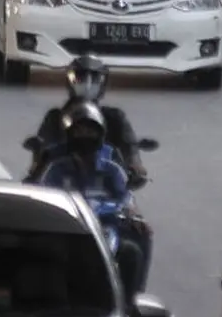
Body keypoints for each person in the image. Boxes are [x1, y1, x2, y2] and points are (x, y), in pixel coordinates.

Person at [37, 104, 149, 292]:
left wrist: (133, 214)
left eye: (91, 131)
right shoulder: (56, 168)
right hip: (67, 229)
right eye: (80, 131)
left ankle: (132, 301)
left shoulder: (111, 168)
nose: (85, 137)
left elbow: (125, 197)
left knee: (134, 249)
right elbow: (44, 195)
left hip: (104, 226)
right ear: (69, 134)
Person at [25, 54, 151, 183]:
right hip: (62, 176)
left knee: (128, 202)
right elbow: (44, 146)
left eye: (95, 79)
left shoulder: (115, 117)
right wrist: (37, 166)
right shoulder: (55, 117)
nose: (87, 83)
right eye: (80, 78)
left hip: (106, 177)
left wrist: (135, 164)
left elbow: (128, 144)